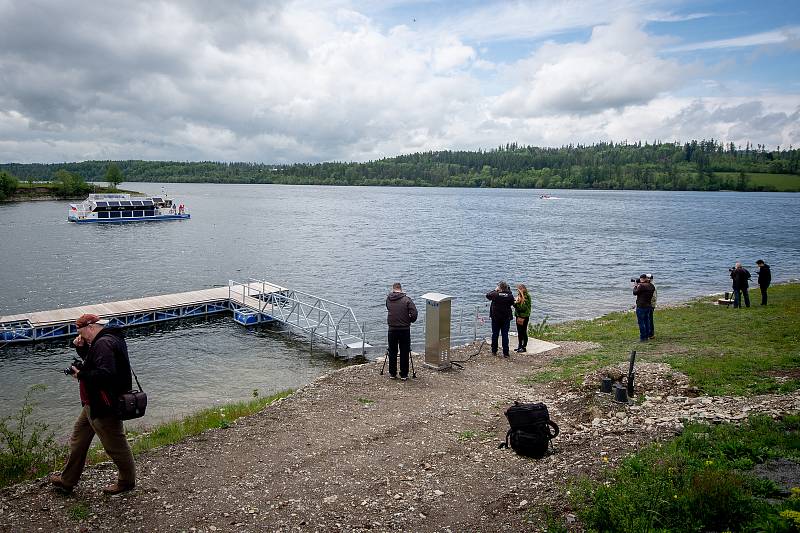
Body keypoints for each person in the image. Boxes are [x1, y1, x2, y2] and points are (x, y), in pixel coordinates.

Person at [49, 314, 136, 495]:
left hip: (104, 405)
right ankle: (67, 480)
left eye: (81, 333)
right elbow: (97, 363)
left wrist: (80, 375)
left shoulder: (103, 343)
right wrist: (82, 350)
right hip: (92, 404)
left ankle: (127, 481)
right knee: (78, 441)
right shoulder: (107, 339)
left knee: (116, 446)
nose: (80, 337)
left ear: (91, 327)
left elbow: (106, 375)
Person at [385, 283, 418, 381]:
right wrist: (410, 320)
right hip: (404, 329)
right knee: (404, 351)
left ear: (393, 289)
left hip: (392, 329)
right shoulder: (407, 300)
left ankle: (392, 373)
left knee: (392, 351)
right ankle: (404, 374)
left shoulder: (388, 299)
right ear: (401, 289)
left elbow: (388, 308)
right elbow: (414, 314)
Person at [486, 281, 515, 357]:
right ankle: (506, 353)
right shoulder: (509, 295)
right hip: (506, 318)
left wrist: (495, 290)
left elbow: (487, 295)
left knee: (495, 334)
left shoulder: (495, 294)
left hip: (496, 318)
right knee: (505, 335)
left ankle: (494, 351)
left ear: (499, 287)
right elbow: (512, 302)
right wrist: (508, 291)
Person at [633, 274, 655, 342]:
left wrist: (635, 286)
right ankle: (648, 335)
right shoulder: (651, 286)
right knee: (647, 321)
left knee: (641, 322)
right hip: (648, 306)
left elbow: (635, 292)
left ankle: (643, 338)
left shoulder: (642, 286)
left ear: (642, 279)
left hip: (641, 306)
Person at [513, 284, 531, 352]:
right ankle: (520, 345)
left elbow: (523, 308)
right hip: (519, 316)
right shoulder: (520, 296)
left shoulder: (526, 296)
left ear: (522, 289)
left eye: (518, 289)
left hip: (524, 317)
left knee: (523, 331)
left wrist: (515, 304)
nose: (517, 290)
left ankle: (524, 347)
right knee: (519, 332)